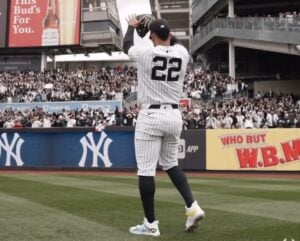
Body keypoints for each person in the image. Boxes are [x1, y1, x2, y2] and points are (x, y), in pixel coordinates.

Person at [123, 16, 205, 237]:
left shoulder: (146, 53)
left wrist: (132, 27)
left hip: (151, 114)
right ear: (169, 35)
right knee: (171, 164)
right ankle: (192, 207)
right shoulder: (182, 53)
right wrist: (156, 27)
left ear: (152, 37)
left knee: (147, 170)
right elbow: (171, 38)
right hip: (174, 115)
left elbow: (127, 45)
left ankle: (150, 225)